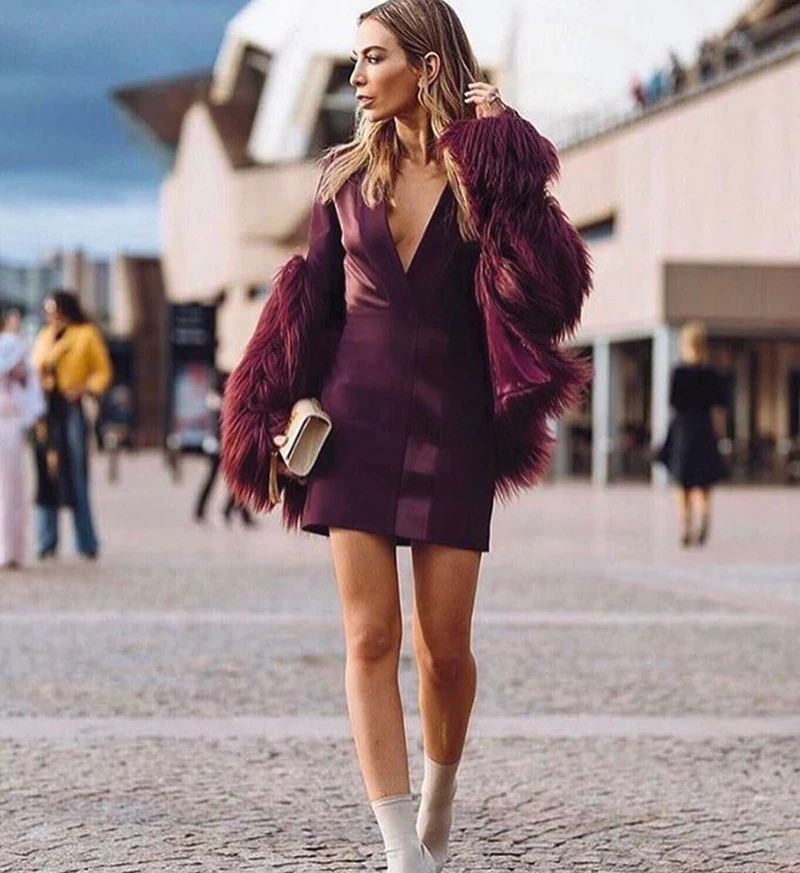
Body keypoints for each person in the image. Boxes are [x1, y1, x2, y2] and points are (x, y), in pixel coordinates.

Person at [222, 2, 591, 871]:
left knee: (444, 650)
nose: (355, 77)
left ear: (425, 66)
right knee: (369, 638)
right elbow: (311, 306)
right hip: (351, 423)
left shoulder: (481, 170)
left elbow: (550, 293)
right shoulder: (342, 177)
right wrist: (280, 409)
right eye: (354, 59)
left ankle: (438, 798)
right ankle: (400, 849)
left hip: (454, 423)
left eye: (372, 57)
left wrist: (504, 157)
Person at [31, 290, 113, 560]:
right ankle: (46, 540)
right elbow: (34, 366)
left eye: (54, 309)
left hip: (71, 408)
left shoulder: (86, 334)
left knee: (77, 473)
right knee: (46, 474)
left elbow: (103, 371)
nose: (51, 315)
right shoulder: (44, 336)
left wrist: (85, 388)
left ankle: (86, 542)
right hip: (46, 410)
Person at [657, 322, 728, 547]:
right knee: (704, 482)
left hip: (683, 430)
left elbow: (673, 404)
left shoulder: (678, 373)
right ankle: (704, 516)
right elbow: (718, 410)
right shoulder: (711, 374)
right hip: (704, 430)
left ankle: (686, 527)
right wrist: (719, 436)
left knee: (683, 482)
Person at [0, 334, 45, 569]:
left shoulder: (19, 384)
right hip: (7, 436)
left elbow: (33, 406)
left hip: (12, 439)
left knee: (12, 493)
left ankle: (12, 549)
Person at [193, 371, 254, 526]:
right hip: (220, 445)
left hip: (221, 444)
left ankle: (234, 512)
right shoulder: (220, 403)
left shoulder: (218, 402)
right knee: (232, 478)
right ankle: (228, 511)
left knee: (233, 479)